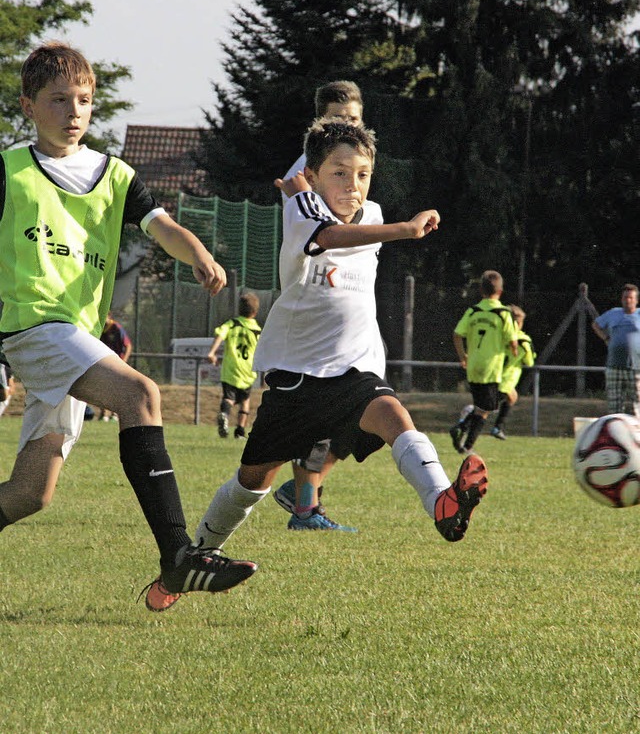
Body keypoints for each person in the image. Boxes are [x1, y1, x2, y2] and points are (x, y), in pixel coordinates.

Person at [144, 119, 489, 611]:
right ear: (313, 174)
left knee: (396, 419)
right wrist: (406, 230)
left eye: (363, 174)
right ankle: (191, 561)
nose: (353, 186)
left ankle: (443, 504)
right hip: (297, 377)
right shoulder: (303, 209)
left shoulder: (369, 210)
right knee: (252, 481)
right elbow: (327, 236)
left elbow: (355, 221)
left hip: (355, 370)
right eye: (340, 173)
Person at [0, 41, 257, 612]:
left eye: (84, 100)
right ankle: (179, 555)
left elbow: (159, 223)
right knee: (139, 393)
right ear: (28, 106)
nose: (73, 112)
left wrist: (196, 251)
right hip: (33, 326)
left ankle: (178, 557)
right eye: (58, 99)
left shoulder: (113, 173)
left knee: (30, 493)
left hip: (77, 337)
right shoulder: (10, 170)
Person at [272, 80, 364, 532]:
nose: (345, 125)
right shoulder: (307, 170)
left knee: (363, 414)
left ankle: (301, 494)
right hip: (315, 301)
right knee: (323, 412)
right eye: (336, 118)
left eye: (352, 118)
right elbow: (317, 235)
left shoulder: (356, 163)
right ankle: (306, 507)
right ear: (319, 122)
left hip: (349, 297)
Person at [450, 270, 518, 453]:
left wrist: (462, 356)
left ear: (481, 290)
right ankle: (462, 430)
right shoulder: (503, 313)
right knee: (486, 408)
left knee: (485, 406)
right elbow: (512, 340)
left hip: (473, 366)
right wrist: (514, 350)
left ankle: (465, 442)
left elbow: (457, 335)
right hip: (491, 367)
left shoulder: (473, 311)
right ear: (501, 292)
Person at [208, 292, 262, 439]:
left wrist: (212, 352)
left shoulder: (232, 324)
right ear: (255, 312)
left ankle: (224, 414)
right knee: (245, 401)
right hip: (247, 371)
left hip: (230, 369)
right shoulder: (257, 330)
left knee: (228, 397)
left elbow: (220, 334)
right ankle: (240, 432)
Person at [592, 283, 640, 417]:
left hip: (636, 368)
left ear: (636, 300)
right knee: (614, 408)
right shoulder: (613, 313)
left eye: (631, 298)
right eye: (625, 297)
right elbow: (596, 324)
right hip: (614, 367)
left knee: (638, 405)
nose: (628, 300)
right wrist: (606, 338)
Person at [489, 305, 535, 440]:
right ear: (517, 322)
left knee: (512, 397)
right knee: (484, 407)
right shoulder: (521, 340)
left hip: (492, 373)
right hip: (504, 378)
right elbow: (529, 362)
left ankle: (497, 427)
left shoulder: (499, 336)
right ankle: (464, 421)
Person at [98, 311, 132, 422]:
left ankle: (115, 414)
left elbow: (127, 345)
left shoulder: (116, 328)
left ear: (109, 316)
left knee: (116, 388)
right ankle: (103, 415)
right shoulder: (100, 328)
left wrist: (124, 362)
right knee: (102, 388)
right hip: (105, 363)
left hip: (117, 363)